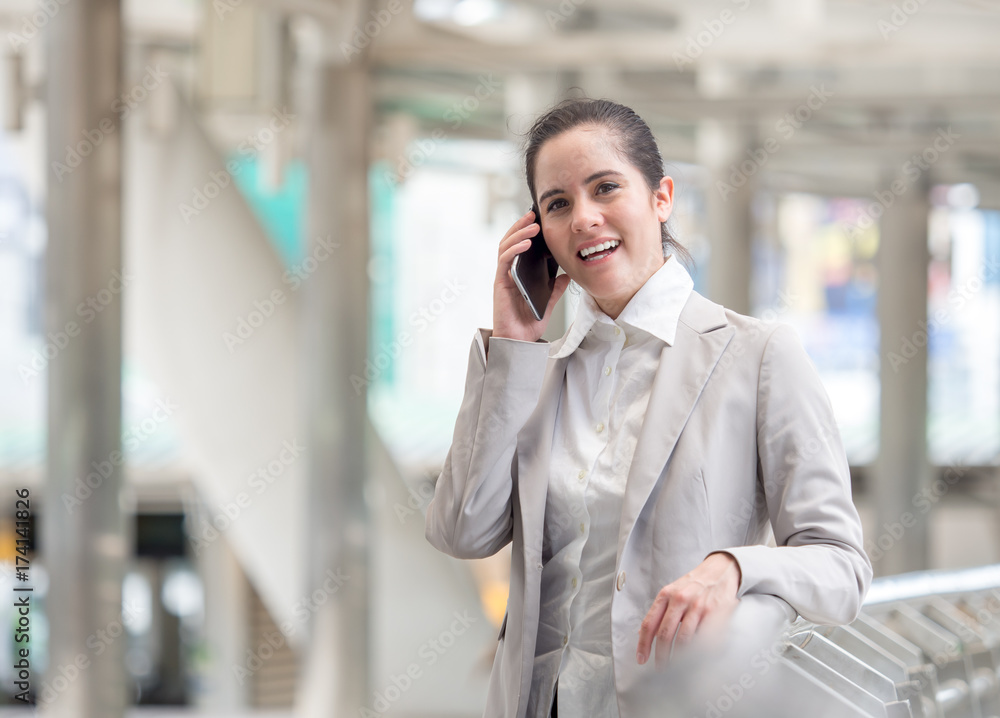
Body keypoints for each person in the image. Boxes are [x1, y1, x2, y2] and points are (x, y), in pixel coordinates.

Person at [424, 97, 872, 718]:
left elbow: (842, 567)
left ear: (662, 197)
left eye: (605, 188)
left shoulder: (758, 355)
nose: (584, 218)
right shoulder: (535, 374)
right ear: (539, 236)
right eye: (557, 204)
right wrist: (512, 348)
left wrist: (733, 569)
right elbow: (462, 531)